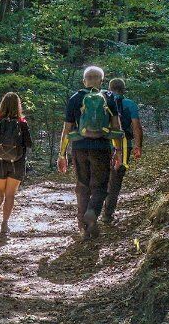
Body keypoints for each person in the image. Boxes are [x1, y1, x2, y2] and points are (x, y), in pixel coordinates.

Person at [58, 65, 122, 238]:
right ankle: (92, 212)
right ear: (102, 81)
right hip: (101, 147)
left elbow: (67, 129)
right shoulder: (109, 98)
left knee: (82, 186)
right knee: (101, 186)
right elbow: (116, 126)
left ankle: (84, 228)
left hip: (79, 148)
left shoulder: (75, 98)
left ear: (84, 81)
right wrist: (118, 150)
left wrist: (62, 154)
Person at [0, 92, 32, 236]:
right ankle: (4, 224)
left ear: (2, 104)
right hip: (17, 162)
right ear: (18, 106)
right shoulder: (22, 123)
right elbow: (29, 143)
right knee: (10, 194)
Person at [101, 77, 143, 225]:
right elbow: (136, 126)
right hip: (123, 144)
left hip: (101, 144)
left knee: (100, 176)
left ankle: (92, 211)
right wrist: (138, 145)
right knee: (115, 179)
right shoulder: (129, 104)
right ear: (123, 89)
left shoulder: (102, 101)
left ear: (109, 88)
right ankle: (107, 214)